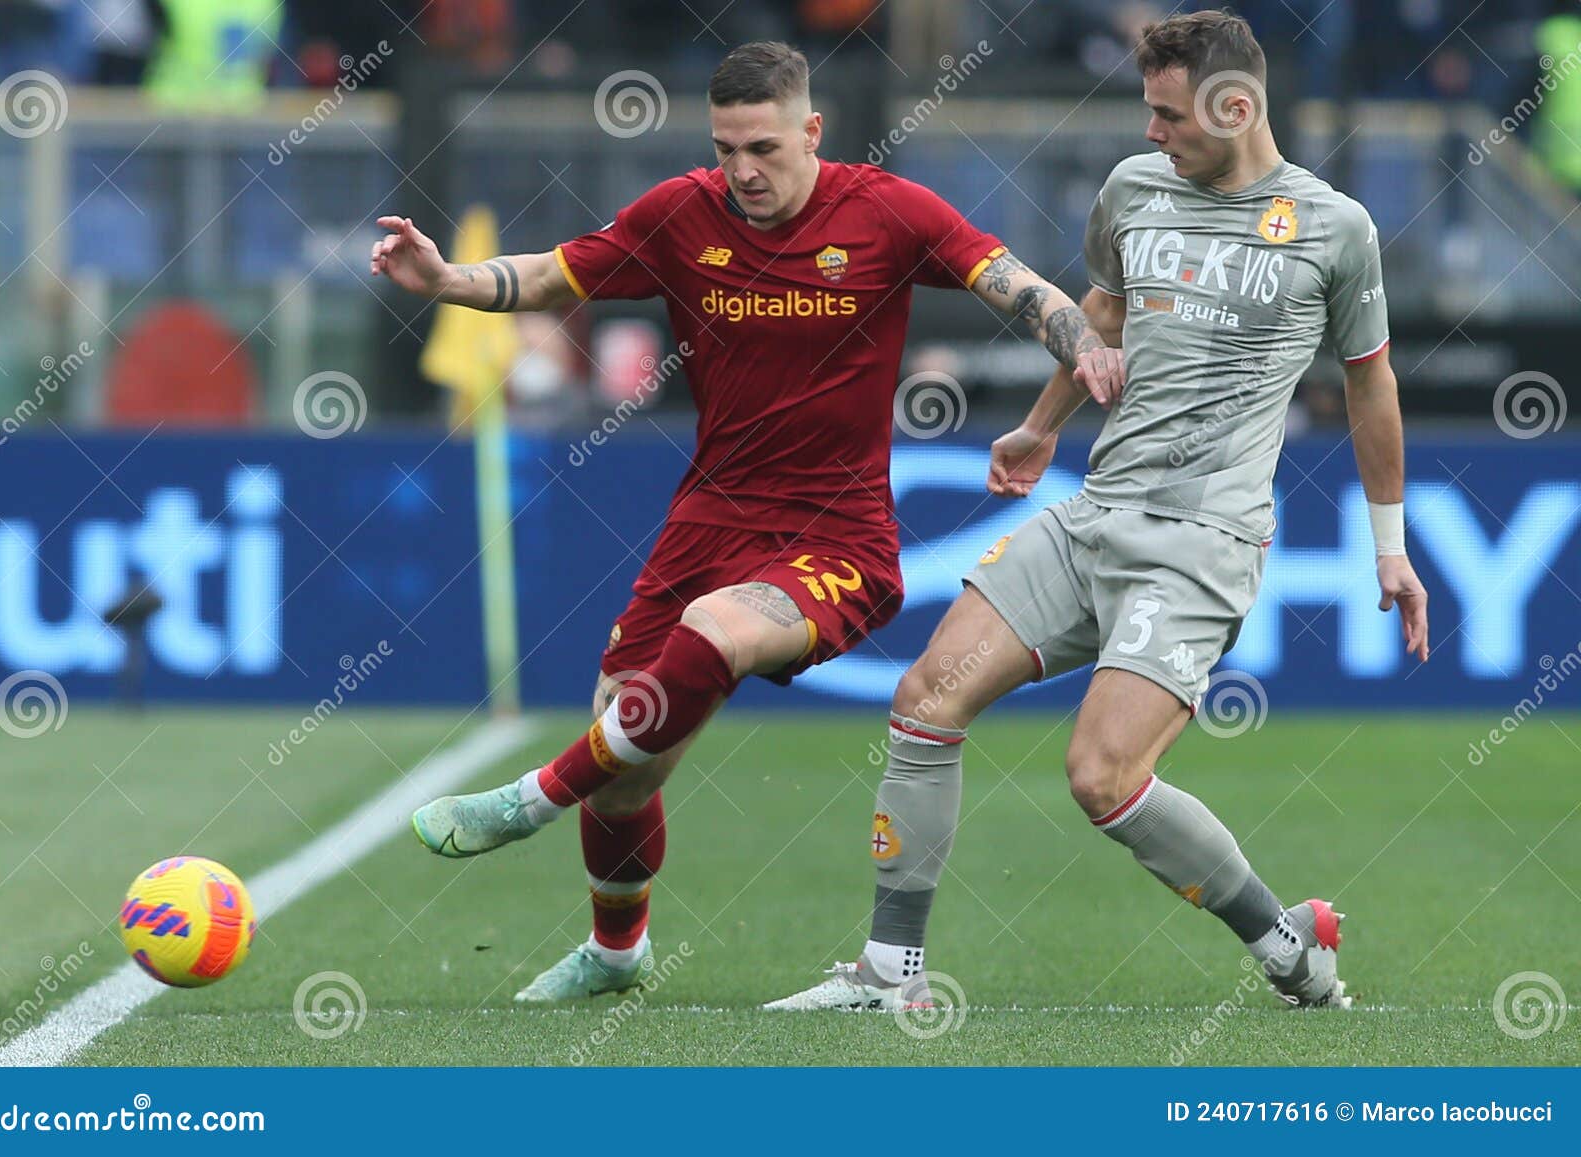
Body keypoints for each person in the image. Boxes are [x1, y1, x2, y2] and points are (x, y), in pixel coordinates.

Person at [371, 41, 1121, 1001]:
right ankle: (616, 951)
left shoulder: (887, 212)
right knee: (625, 765)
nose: (743, 170)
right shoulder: (682, 214)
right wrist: (444, 280)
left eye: (763, 147)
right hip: (708, 518)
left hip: (838, 537)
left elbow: (1017, 285)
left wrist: (1084, 345)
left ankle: (530, 797)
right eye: (726, 148)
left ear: (813, 131)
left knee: (711, 634)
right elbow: (557, 275)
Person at [766, 9, 1429, 1014]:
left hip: (1201, 543)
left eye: (1168, 114)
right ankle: (887, 972)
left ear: (1237, 106)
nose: (1151, 131)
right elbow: (1102, 321)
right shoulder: (1131, 191)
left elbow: (1371, 386)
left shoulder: (1333, 228)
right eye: (1147, 110)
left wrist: (1391, 545)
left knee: (1102, 774)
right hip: (1093, 514)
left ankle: (1282, 942)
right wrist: (1039, 429)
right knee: (923, 697)